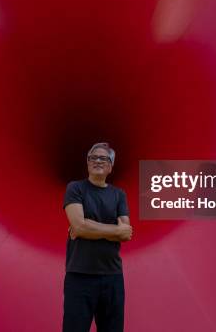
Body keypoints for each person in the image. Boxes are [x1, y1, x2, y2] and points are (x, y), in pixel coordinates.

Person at [62, 142, 133, 332]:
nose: (98, 161)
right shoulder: (75, 188)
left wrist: (88, 227)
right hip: (80, 276)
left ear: (110, 166)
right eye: (93, 158)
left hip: (112, 277)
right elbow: (79, 226)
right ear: (87, 163)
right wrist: (113, 230)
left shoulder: (119, 194)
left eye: (104, 158)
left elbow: (126, 233)